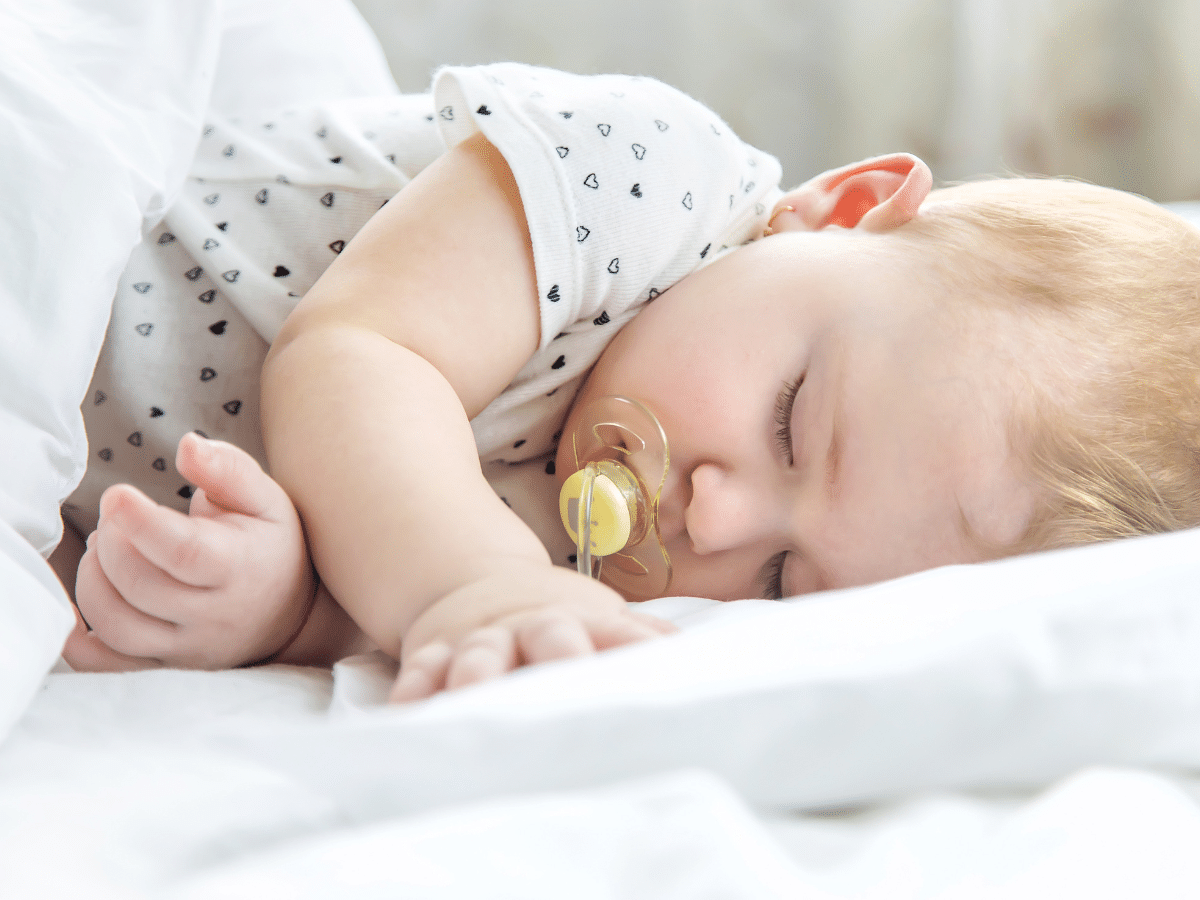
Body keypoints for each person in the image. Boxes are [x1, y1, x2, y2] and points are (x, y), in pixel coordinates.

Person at [55, 64, 1200, 701]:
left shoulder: (594, 574)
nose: (716, 512)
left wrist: (271, 605)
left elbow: (368, 576)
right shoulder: (647, 181)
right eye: (793, 421)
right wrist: (477, 590)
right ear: (839, 211)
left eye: (785, 583)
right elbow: (359, 357)